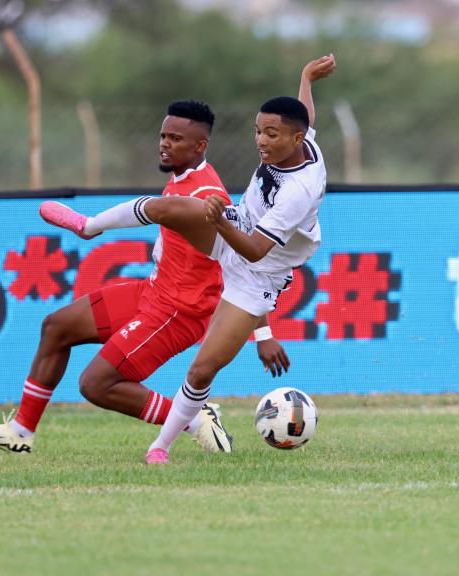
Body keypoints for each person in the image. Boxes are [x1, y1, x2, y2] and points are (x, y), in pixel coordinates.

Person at [42, 54, 336, 464]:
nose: (261, 141)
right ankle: (89, 226)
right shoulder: (305, 144)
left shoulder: (298, 192)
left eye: (272, 134)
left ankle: (159, 447)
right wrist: (307, 77)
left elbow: (254, 251)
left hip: (256, 273)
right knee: (171, 208)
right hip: (233, 229)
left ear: (295, 137)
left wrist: (219, 222)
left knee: (201, 372)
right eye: (258, 131)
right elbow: (305, 114)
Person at [0, 100, 289, 454]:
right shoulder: (182, 180)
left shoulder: (208, 198)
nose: (164, 144)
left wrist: (263, 333)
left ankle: (195, 418)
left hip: (177, 313)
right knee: (57, 326)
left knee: (95, 385)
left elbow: (246, 268)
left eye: (176, 139)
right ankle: (21, 432)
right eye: (163, 135)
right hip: (152, 292)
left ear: (200, 147)